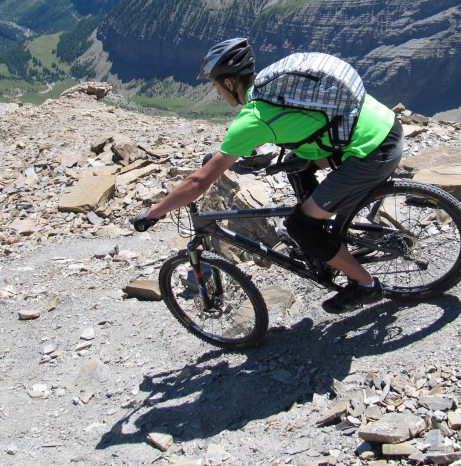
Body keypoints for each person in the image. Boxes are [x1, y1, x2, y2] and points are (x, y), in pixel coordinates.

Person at [134, 38, 404, 313]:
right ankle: (324, 236)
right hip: (384, 125)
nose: (215, 92)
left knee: (300, 227)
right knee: (295, 166)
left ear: (228, 83)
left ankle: (366, 285)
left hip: (372, 153)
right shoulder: (275, 85)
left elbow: (199, 182)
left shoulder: (254, 118)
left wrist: (153, 213)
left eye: (214, 84)